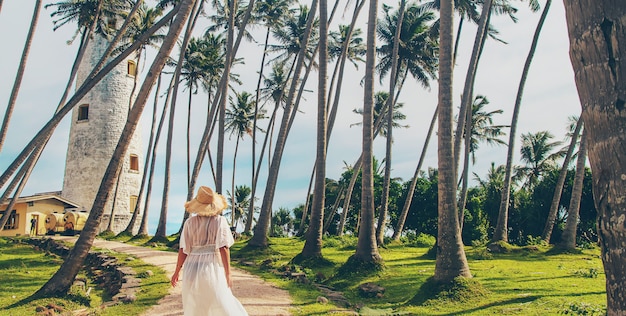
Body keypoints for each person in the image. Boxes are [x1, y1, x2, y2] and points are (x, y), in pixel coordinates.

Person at [170, 186, 248, 316]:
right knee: (221, 300)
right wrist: (228, 273)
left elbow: (183, 250)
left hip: (191, 267)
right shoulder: (220, 221)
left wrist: (177, 271)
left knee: (195, 304)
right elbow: (224, 248)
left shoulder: (189, 223)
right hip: (211, 266)